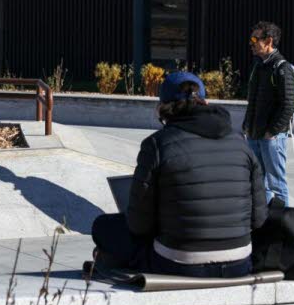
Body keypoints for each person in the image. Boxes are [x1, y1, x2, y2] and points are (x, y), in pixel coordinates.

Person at [92, 72, 268, 278]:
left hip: (180, 261)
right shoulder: (240, 142)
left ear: (163, 107)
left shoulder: (157, 145)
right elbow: (259, 219)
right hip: (239, 261)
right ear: (205, 101)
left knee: (103, 227)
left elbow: (139, 225)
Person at [244, 21, 294, 204]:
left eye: (254, 39)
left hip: (271, 138)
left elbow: (288, 105)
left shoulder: (282, 69)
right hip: (254, 134)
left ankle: (284, 225)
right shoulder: (259, 66)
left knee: (276, 183)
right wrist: (247, 126)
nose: (250, 43)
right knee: (259, 182)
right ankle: (264, 223)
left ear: (268, 41)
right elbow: (253, 101)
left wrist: (272, 132)